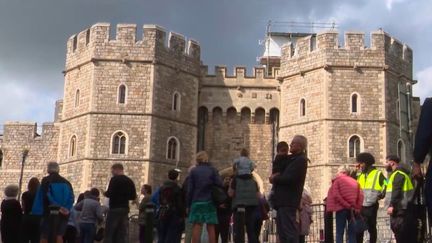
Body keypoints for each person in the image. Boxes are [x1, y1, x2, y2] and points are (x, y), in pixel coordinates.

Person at [270, 135, 308, 243]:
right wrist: (279, 156)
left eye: (293, 143)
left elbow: (290, 178)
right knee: (282, 233)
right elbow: (278, 168)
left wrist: (275, 178)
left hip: (288, 201)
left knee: (289, 232)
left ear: (299, 146)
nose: (290, 145)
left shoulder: (300, 160)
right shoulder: (291, 159)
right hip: (282, 201)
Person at [32, 161, 75, 243]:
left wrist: (36, 211)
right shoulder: (67, 182)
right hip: (64, 213)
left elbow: (45, 195)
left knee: (44, 235)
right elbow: (72, 197)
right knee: (59, 235)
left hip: (48, 212)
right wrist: (66, 208)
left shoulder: (46, 181)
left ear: (48, 169)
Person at [187, 151, 222, 243]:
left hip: (196, 201)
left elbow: (190, 189)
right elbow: (219, 183)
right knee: (211, 227)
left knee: (197, 226)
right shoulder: (212, 170)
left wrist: (188, 204)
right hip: (209, 201)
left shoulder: (193, 171)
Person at [326, 166, 363, 243]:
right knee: (352, 233)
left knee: (339, 232)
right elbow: (361, 196)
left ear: (343, 172)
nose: (337, 173)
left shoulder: (337, 181)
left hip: (341, 209)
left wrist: (346, 204)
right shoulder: (355, 182)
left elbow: (336, 195)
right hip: (353, 210)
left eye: (338, 171)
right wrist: (357, 208)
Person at [355, 152, 386, 243]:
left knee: (371, 228)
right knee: (359, 229)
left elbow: (387, 183)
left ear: (366, 163)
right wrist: (355, 170)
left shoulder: (377, 173)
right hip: (361, 206)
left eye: (360, 163)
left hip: (371, 206)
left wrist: (381, 195)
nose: (359, 165)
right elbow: (352, 181)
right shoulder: (360, 175)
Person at [384, 155, 416, 242]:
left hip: (399, 209)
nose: (385, 164)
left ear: (392, 163)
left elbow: (396, 191)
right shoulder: (401, 174)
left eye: (386, 162)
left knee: (400, 234)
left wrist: (391, 205)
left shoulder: (398, 175)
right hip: (404, 208)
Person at [104, 163, 137, 243]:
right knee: (122, 233)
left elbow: (110, 193)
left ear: (117, 169)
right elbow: (133, 196)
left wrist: (104, 193)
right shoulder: (129, 181)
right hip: (125, 209)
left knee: (110, 232)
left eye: (112, 171)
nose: (112, 173)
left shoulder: (114, 179)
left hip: (115, 208)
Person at [229, 170, 260, 243]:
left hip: (239, 207)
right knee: (251, 229)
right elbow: (259, 196)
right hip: (251, 207)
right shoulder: (254, 182)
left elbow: (231, 194)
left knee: (239, 229)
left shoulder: (235, 181)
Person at [157, 169, 185, 243]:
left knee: (162, 233)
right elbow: (179, 203)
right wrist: (183, 214)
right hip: (174, 213)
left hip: (163, 212)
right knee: (171, 234)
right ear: (177, 177)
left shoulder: (162, 187)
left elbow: (160, 200)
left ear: (168, 176)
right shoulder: (177, 188)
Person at [268, 141, 291, 207]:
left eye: (286, 151)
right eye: (283, 151)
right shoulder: (279, 159)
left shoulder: (282, 158)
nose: (284, 153)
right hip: (279, 188)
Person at [21, 177, 41, 243]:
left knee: (25, 238)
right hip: (38, 219)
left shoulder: (25, 194)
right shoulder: (40, 195)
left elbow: (23, 207)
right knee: (36, 239)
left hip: (26, 218)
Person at [216, 176, 233, 243]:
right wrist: (218, 206)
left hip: (226, 215)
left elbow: (231, 201)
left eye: (229, 179)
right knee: (216, 233)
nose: (227, 181)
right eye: (226, 179)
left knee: (224, 235)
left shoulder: (230, 191)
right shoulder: (218, 189)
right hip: (218, 214)